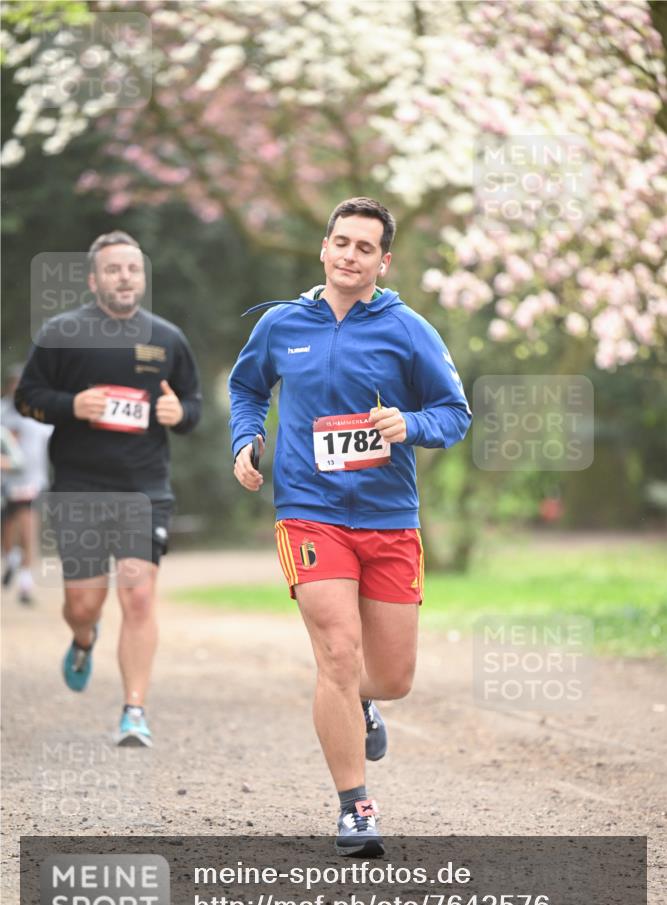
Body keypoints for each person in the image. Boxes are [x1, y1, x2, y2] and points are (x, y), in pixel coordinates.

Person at [229, 197, 471, 856]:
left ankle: (364, 703)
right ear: (323, 247)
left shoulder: (407, 329)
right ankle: (354, 808)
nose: (349, 255)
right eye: (341, 242)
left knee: (389, 676)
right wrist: (246, 440)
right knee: (337, 653)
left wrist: (409, 425)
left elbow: (454, 412)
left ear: (382, 261)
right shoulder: (281, 324)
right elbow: (248, 387)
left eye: (364, 248)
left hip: (388, 517)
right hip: (308, 510)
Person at [15, 231, 202, 747]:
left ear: (143, 277)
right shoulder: (62, 332)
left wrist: (178, 413)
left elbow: (192, 406)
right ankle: (82, 639)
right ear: (94, 278)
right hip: (80, 487)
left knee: (138, 596)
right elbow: (29, 398)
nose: (125, 277)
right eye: (114, 269)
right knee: (84, 605)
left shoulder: (167, 338)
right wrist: (71, 405)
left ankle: (134, 711)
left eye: (133, 269)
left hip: (145, 488)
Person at [1, 364, 52, 604]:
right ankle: (10, 558)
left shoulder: (39, 412)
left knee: (29, 530)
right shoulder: (2, 413)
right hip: (6, 483)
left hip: (33, 481)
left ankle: (25, 586)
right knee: (8, 532)